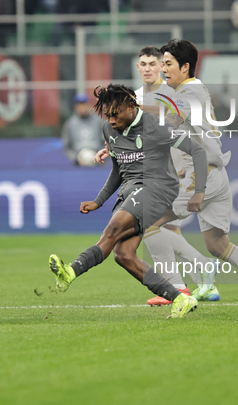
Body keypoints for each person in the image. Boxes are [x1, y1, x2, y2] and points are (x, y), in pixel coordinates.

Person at [145, 39, 238, 314]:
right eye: (162, 63)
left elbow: (168, 116)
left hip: (200, 177)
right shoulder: (183, 91)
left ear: (185, 66)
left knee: (149, 221)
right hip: (215, 174)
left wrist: (131, 106)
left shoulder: (190, 90)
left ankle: (176, 289)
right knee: (217, 245)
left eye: (168, 63)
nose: (162, 69)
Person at [48, 84, 209, 319]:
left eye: (116, 114)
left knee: (112, 230)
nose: (111, 120)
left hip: (159, 187)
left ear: (131, 107)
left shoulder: (157, 126)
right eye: (107, 115)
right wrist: (99, 201)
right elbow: (118, 169)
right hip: (131, 189)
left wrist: (199, 192)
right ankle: (181, 299)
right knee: (123, 254)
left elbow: (197, 151)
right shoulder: (108, 130)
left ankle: (70, 272)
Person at [130, 46, 221, 306]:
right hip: (154, 171)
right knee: (166, 229)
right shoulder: (137, 95)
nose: (148, 68)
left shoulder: (172, 91)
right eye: (143, 64)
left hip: (177, 171)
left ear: (162, 67)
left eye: (153, 63)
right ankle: (200, 278)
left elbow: (172, 125)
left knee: (155, 227)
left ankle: (176, 288)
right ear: (138, 67)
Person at [62, 93, 104, 166]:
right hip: (79, 163)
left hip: (98, 162)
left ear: (89, 105)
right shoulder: (70, 124)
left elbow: (106, 142)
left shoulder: (98, 121)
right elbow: (67, 146)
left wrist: (100, 156)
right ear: (76, 106)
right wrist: (75, 158)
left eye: (84, 104)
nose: (82, 107)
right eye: (80, 105)